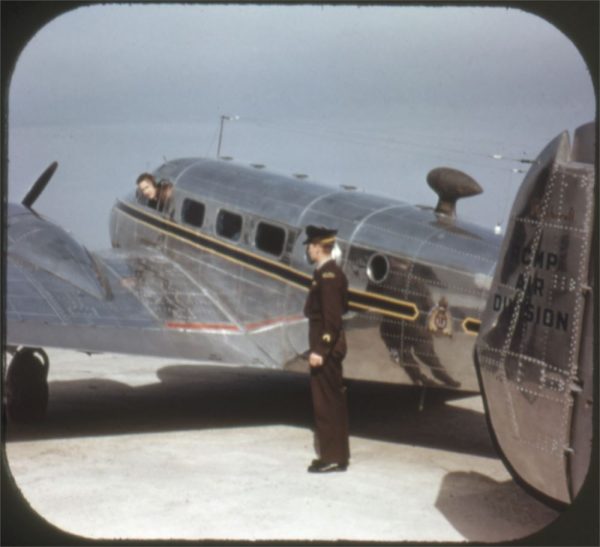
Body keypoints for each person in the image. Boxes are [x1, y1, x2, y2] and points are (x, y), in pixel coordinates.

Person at [303, 225, 350, 473]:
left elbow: (332, 318)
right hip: (328, 346)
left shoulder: (328, 277)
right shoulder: (328, 273)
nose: (308, 250)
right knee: (331, 401)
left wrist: (321, 350)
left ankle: (332, 457)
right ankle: (337, 454)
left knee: (326, 403)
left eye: (310, 245)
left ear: (319, 247)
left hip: (327, 349)